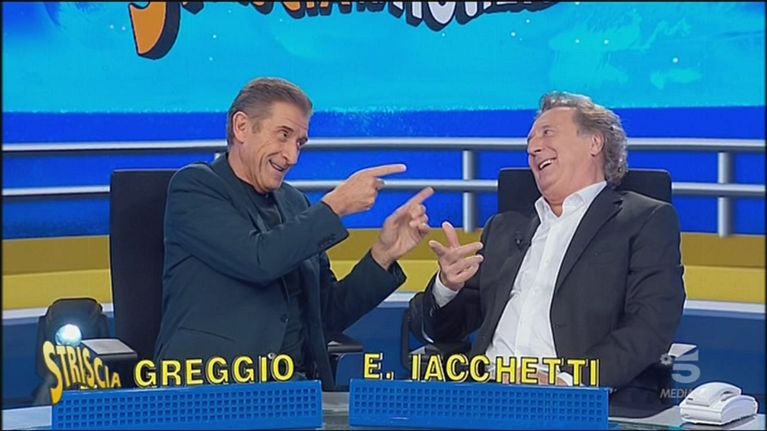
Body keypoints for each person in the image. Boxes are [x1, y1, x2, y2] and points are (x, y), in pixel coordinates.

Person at [409, 91, 685, 414]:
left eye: (547, 133)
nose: (533, 148)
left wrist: (570, 383)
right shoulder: (504, 227)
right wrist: (447, 288)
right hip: (485, 398)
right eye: (530, 141)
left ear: (594, 142)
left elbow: (651, 325)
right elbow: (446, 331)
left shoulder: (644, 220)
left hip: (573, 402)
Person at [154, 77, 433, 390]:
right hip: (214, 386)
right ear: (242, 127)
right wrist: (335, 206)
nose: (292, 156)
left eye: (299, 143)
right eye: (283, 135)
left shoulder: (295, 203)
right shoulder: (195, 188)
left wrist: (383, 254)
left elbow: (325, 316)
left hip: (297, 389)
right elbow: (259, 260)